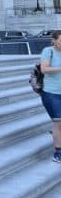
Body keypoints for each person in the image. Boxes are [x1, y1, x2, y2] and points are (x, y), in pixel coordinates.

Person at [39, 30, 61, 161]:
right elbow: (44, 69)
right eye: (60, 41)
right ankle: (58, 153)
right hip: (52, 94)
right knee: (59, 123)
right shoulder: (48, 51)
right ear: (54, 40)